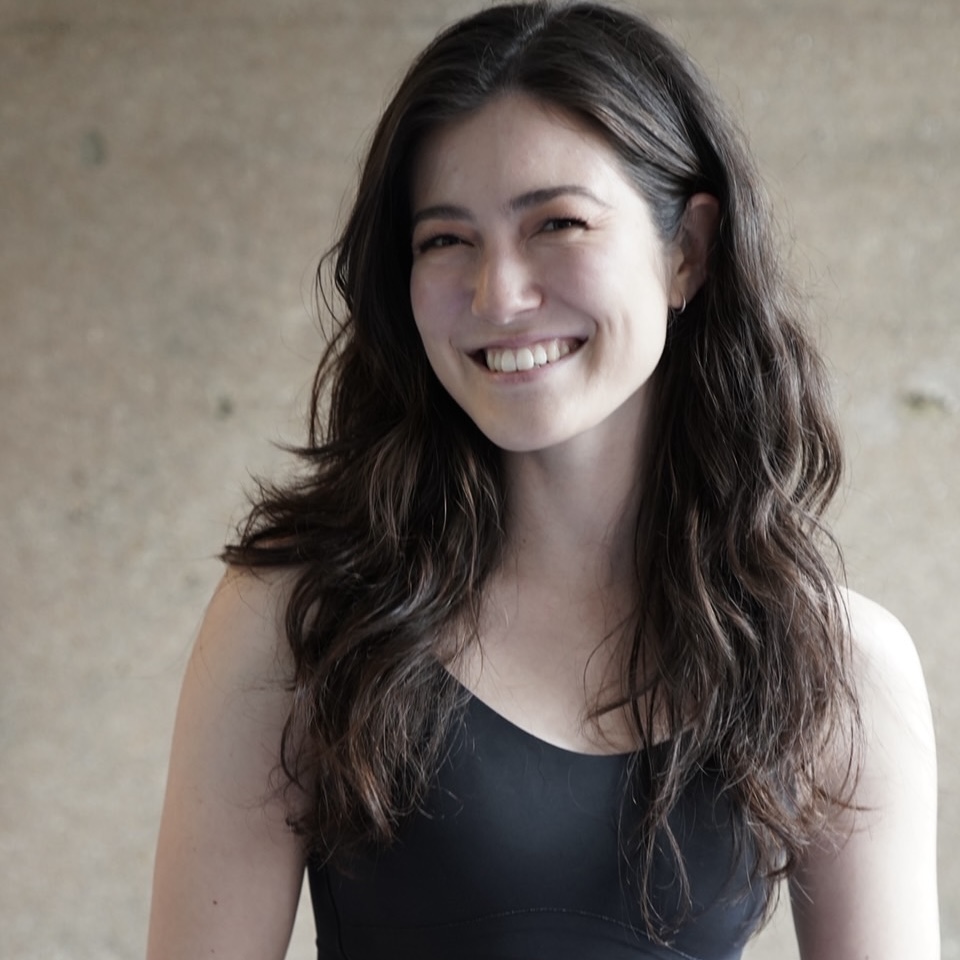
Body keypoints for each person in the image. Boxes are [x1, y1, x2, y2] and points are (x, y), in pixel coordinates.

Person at [146, 3, 939, 958]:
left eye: (557, 223)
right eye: (446, 240)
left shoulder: (840, 667)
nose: (501, 295)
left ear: (687, 251)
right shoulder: (296, 622)